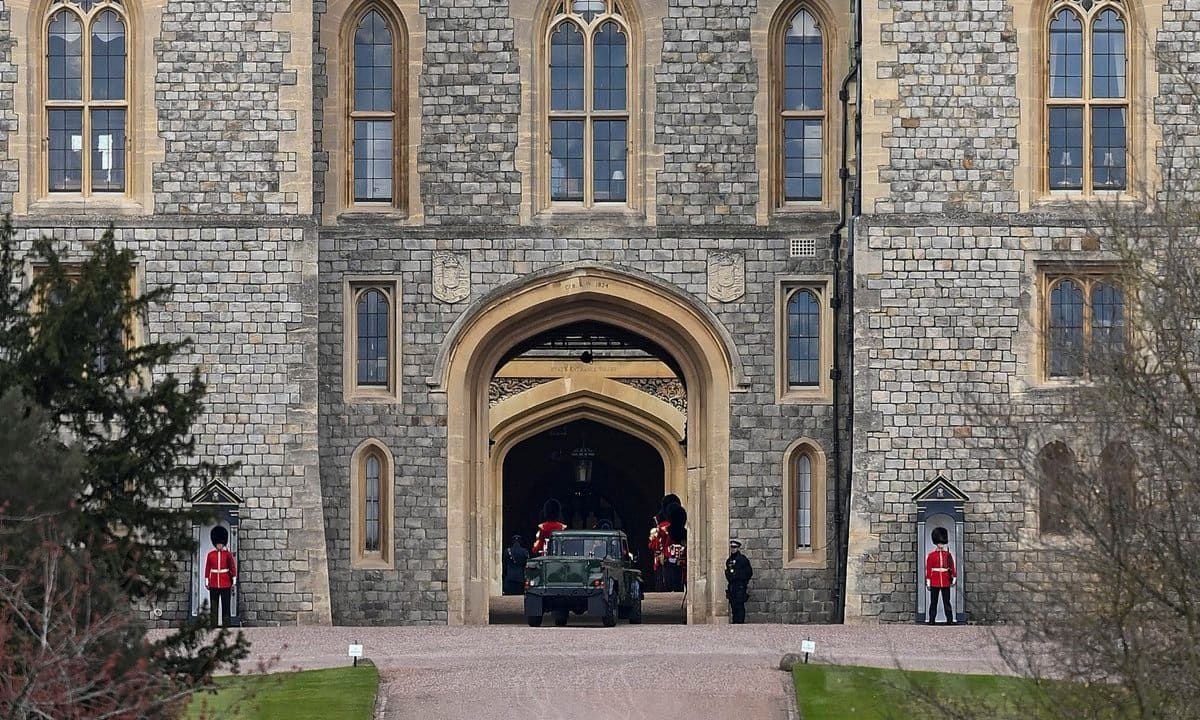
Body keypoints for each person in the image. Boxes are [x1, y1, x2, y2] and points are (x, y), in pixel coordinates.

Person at [204, 525, 237, 626]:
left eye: (221, 543)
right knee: (214, 606)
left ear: (223, 543)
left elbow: (232, 567)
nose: (219, 545)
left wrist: (234, 581)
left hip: (225, 583)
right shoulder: (210, 554)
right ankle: (213, 625)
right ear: (215, 543)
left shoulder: (228, 554)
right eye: (218, 543)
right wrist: (207, 581)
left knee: (226, 606)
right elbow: (207, 568)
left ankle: (226, 625)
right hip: (214, 583)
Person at [925, 526, 957, 625]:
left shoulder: (948, 555)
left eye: (942, 543)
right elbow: (929, 568)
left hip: (945, 580)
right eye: (939, 543)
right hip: (934, 580)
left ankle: (950, 620)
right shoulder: (931, 555)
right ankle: (931, 620)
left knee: (946, 602)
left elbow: (952, 566)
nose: (940, 545)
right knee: (933, 602)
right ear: (936, 543)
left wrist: (954, 577)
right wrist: (928, 581)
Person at [724, 539, 753, 624]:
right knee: (733, 605)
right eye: (732, 547)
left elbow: (749, 572)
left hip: (740, 585)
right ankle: (735, 622)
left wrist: (741, 579)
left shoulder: (742, 560)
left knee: (739, 605)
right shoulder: (729, 560)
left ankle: (740, 623)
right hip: (732, 585)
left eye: (734, 547)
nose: (733, 549)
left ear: (738, 548)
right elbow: (728, 572)